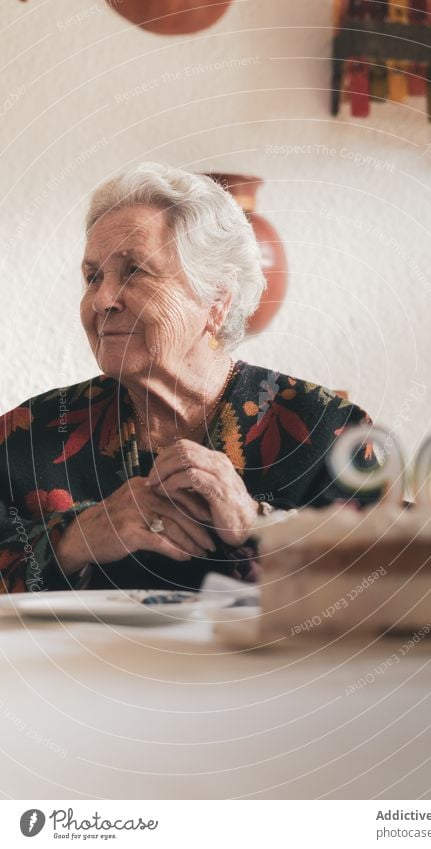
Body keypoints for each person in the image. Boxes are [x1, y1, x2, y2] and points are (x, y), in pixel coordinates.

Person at [0, 162, 374, 594]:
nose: (102, 299)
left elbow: (409, 585)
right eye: (92, 277)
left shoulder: (330, 433)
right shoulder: (29, 437)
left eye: (135, 271)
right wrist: (71, 540)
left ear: (216, 299)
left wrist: (256, 524)